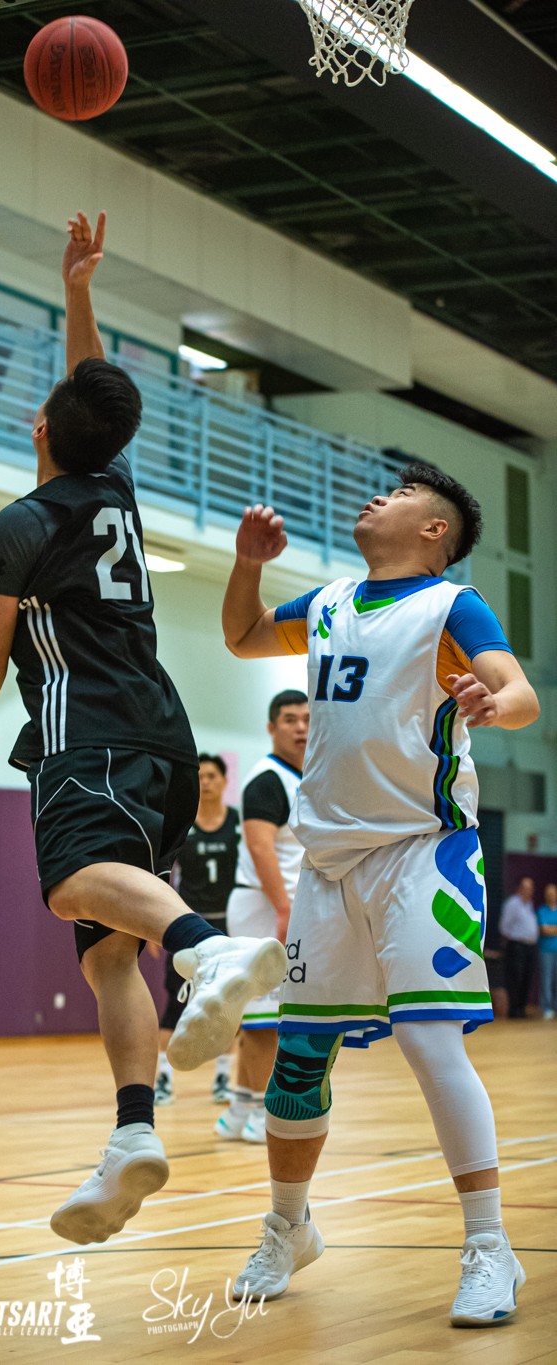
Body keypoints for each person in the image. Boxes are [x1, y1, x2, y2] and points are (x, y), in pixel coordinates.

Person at [0, 209, 286, 1247]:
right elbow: (89, 395)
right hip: (163, 737)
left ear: (40, 428)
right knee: (105, 957)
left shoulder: (23, 522)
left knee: (70, 883)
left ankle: (204, 949)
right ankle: (133, 1132)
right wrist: (77, 292)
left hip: (86, 732)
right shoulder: (116, 487)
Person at [221, 463, 539, 1326]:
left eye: (397, 495)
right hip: (328, 865)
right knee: (297, 1061)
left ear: (434, 530)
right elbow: (243, 636)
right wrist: (246, 563)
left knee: (429, 1040)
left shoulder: (450, 606)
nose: (375, 497)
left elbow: (519, 693)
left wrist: (492, 699)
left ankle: (489, 1246)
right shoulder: (327, 602)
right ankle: (287, 1226)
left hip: (421, 853)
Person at [216, 690, 308, 1145]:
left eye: (307, 718)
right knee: (265, 1020)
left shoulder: (305, 776)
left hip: (276, 906)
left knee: (264, 1017)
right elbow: (259, 846)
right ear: (271, 728)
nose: (301, 727)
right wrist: (285, 907)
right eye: (289, 719)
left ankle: (239, 1111)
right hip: (263, 906)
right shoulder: (267, 779)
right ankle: (260, 1114)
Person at [154, 753, 241, 1107]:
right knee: (176, 1003)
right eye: (200, 776)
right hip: (189, 926)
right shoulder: (181, 823)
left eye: (212, 776)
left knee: (231, 1002)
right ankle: (162, 1079)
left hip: (230, 924)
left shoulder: (238, 823)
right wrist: (156, 924)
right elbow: (161, 872)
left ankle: (223, 1078)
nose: (205, 782)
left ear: (224, 781)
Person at [498, 876, 538, 1018]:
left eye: (531, 888)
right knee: (516, 978)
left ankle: (521, 1008)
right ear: (520, 888)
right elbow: (504, 926)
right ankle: (514, 1010)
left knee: (527, 977)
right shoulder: (513, 904)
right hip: (517, 946)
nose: (529, 891)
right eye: (526, 888)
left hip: (530, 947)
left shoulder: (529, 904)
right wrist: (513, 940)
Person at [535, 883, 557, 1020]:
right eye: (549, 894)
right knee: (547, 980)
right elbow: (544, 930)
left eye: (553, 893)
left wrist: (551, 928)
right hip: (545, 951)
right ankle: (547, 1007)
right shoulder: (542, 911)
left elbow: (548, 929)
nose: (551, 896)